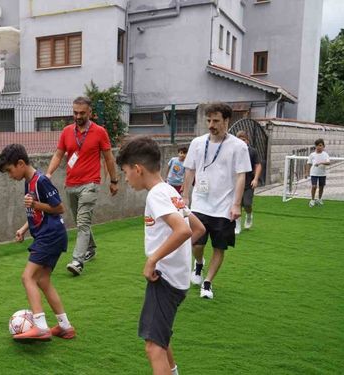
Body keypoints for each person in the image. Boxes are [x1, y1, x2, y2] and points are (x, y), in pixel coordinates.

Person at [116, 136, 205, 375]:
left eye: (125, 172)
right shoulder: (170, 191)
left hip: (164, 281)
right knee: (161, 336)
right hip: (176, 280)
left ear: (138, 169)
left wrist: (153, 259)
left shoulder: (156, 195)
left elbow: (184, 230)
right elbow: (198, 229)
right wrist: (177, 252)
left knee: (153, 347)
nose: (125, 178)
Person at [0, 144, 76, 341]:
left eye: (10, 170)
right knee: (42, 280)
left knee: (28, 277)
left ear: (21, 163)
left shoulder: (41, 181)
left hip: (51, 235)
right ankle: (65, 326)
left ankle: (40, 326)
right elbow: (36, 210)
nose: (10, 175)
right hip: (48, 235)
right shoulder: (29, 182)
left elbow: (58, 208)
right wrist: (23, 229)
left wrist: (35, 204)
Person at [181, 102, 251, 299]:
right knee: (197, 244)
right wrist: (185, 195)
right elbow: (190, 170)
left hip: (224, 206)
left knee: (219, 246)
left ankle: (208, 282)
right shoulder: (197, 143)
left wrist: (236, 204)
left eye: (216, 121)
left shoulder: (239, 147)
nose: (211, 124)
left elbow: (240, 176)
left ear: (227, 120)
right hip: (200, 203)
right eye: (209, 120)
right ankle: (199, 263)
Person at [46, 96, 119, 276]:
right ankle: (91, 248)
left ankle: (77, 261)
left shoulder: (100, 132)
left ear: (90, 113)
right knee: (80, 221)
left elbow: (109, 158)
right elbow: (58, 154)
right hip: (71, 184)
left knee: (83, 222)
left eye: (82, 113)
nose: (78, 116)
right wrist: (48, 174)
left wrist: (114, 180)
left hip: (90, 184)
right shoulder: (66, 132)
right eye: (75, 113)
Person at [234, 131, 262, 234]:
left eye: (244, 140)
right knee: (236, 204)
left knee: (247, 204)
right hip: (235, 183)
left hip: (248, 183)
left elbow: (258, 165)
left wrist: (255, 179)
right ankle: (237, 226)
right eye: (239, 140)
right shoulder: (233, 151)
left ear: (247, 141)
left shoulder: (252, 151)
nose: (241, 141)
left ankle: (249, 215)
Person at [305, 138, 331, 207]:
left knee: (321, 187)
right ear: (315, 146)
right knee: (314, 186)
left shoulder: (325, 154)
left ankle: (319, 199)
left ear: (323, 146)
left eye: (320, 145)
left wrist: (320, 163)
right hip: (314, 173)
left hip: (322, 173)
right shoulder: (312, 155)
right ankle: (312, 200)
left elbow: (328, 163)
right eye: (317, 145)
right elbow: (308, 164)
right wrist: (306, 173)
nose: (319, 147)